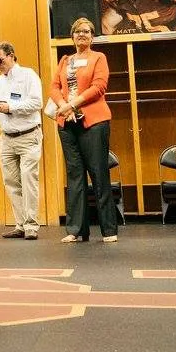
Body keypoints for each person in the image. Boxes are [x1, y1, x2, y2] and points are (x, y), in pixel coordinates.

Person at [49, 18, 117, 243]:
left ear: (92, 36)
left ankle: (108, 230)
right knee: (75, 175)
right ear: (72, 36)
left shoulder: (99, 58)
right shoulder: (65, 60)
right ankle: (76, 230)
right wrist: (62, 106)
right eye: (78, 31)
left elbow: (99, 87)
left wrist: (73, 104)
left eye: (86, 31)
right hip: (67, 124)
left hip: (94, 122)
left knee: (99, 173)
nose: (82, 35)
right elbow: (54, 87)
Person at [0, 41, 43, 240]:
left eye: (0, 59)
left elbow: (37, 103)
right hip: (6, 138)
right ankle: (21, 224)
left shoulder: (28, 75)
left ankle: (32, 225)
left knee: (28, 180)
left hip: (28, 135)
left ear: (11, 56)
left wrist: (10, 107)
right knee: (11, 182)